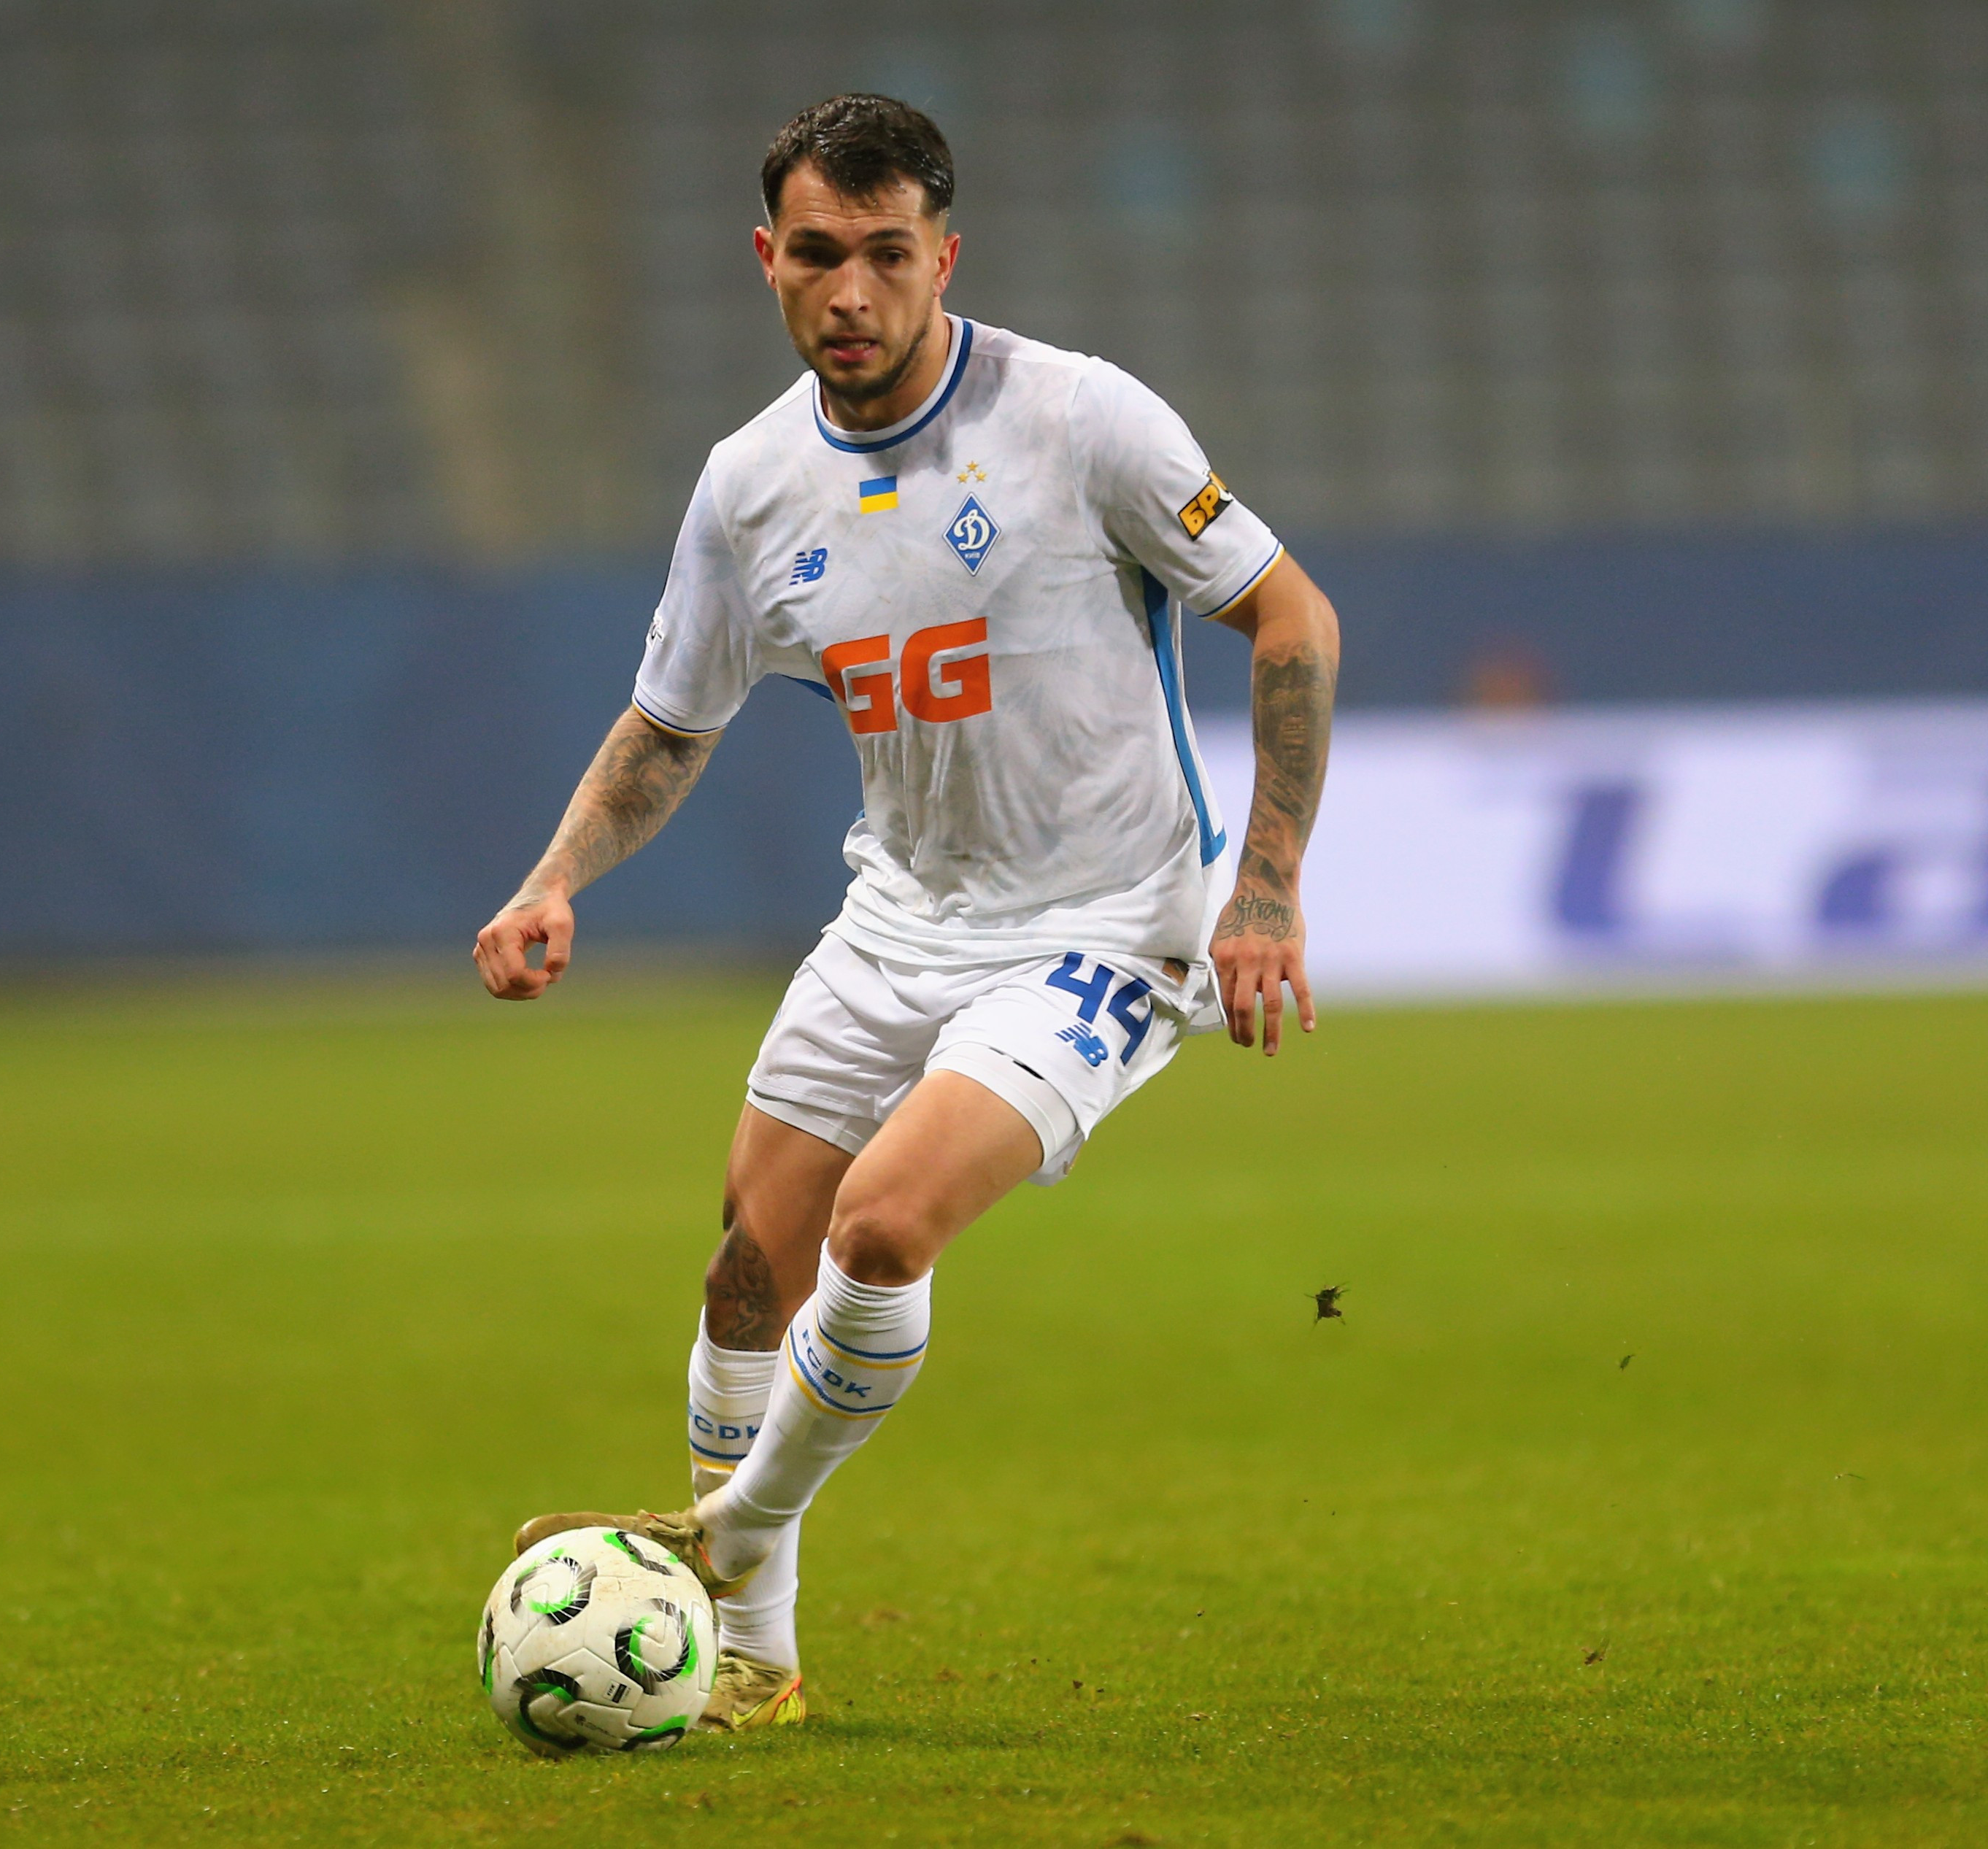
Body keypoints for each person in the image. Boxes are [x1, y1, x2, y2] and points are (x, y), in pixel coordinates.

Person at [470, 93, 1339, 1734]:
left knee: (877, 1229)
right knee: (748, 1273)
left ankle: (727, 1534)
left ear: (945, 255)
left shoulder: (1080, 420)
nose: (852, 291)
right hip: (900, 917)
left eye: (887, 253)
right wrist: (553, 878)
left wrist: (1266, 888)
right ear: (767, 259)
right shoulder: (749, 485)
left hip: (1102, 923)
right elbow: (669, 723)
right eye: (818, 255)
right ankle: (755, 1662)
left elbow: (1290, 617)